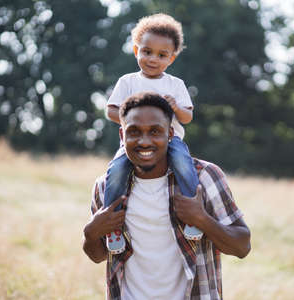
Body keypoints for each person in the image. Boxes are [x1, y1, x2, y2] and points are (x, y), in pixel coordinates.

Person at [83, 92, 251, 300]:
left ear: (170, 134)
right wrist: (90, 234)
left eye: (155, 131)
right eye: (134, 132)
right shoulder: (107, 187)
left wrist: (201, 219)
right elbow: (99, 255)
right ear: (122, 135)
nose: (144, 141)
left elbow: (242, 247)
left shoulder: (204, 177)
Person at [104, 13, 202, 254]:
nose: (152, 59)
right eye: (147, 51)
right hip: (134, 142)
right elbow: (110, 110)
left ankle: (192, 215)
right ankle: (112, 225)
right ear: (136, 50)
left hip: (171, 140)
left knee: (183, 163)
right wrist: (132, 121)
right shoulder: (128, 81)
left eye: (161, 55)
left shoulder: (175, 85)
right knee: (115, 171)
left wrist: (176, 107)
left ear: (172, 58)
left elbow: (187, 117)